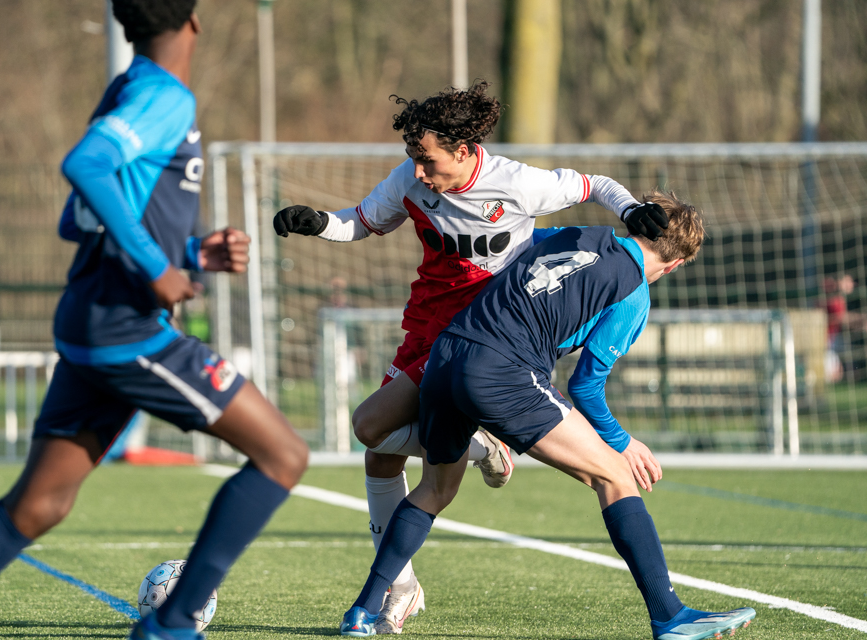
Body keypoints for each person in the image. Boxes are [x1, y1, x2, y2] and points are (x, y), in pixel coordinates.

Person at [0, 3, 308, 640]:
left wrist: (188, 252)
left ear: (124, 26)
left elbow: (79, 219)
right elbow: (85, 166)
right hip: (127, 328)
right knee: (282, 455)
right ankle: (172, 624)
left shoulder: (124, 91)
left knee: (38, 505)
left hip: (91, 319)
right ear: (194, 22)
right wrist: (156, 266)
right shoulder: (163, 96)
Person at [273, 81, 669, 633]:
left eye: (426, 158)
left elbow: (595, 183)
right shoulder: (408, 182)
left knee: (370, 427)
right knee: (379, 453)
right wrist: (319, 223)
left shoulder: (515, 183)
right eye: (413, 158)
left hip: (483, 329)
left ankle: (457, 479)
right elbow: (362, 222)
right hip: (426, 322)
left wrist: (631, 208)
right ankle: (409, 574)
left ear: (462, 152)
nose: (417, 171)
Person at [339, 190, 757, 640]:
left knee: (435, 488)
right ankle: (669, 615)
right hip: (505, 370)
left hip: (447, 353)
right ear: (674, 265)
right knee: (615, 475)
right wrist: (622, 442)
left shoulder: (576, 233)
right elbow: (585, 387)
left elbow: (510, 244)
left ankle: (362, 611)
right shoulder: (634, 292)